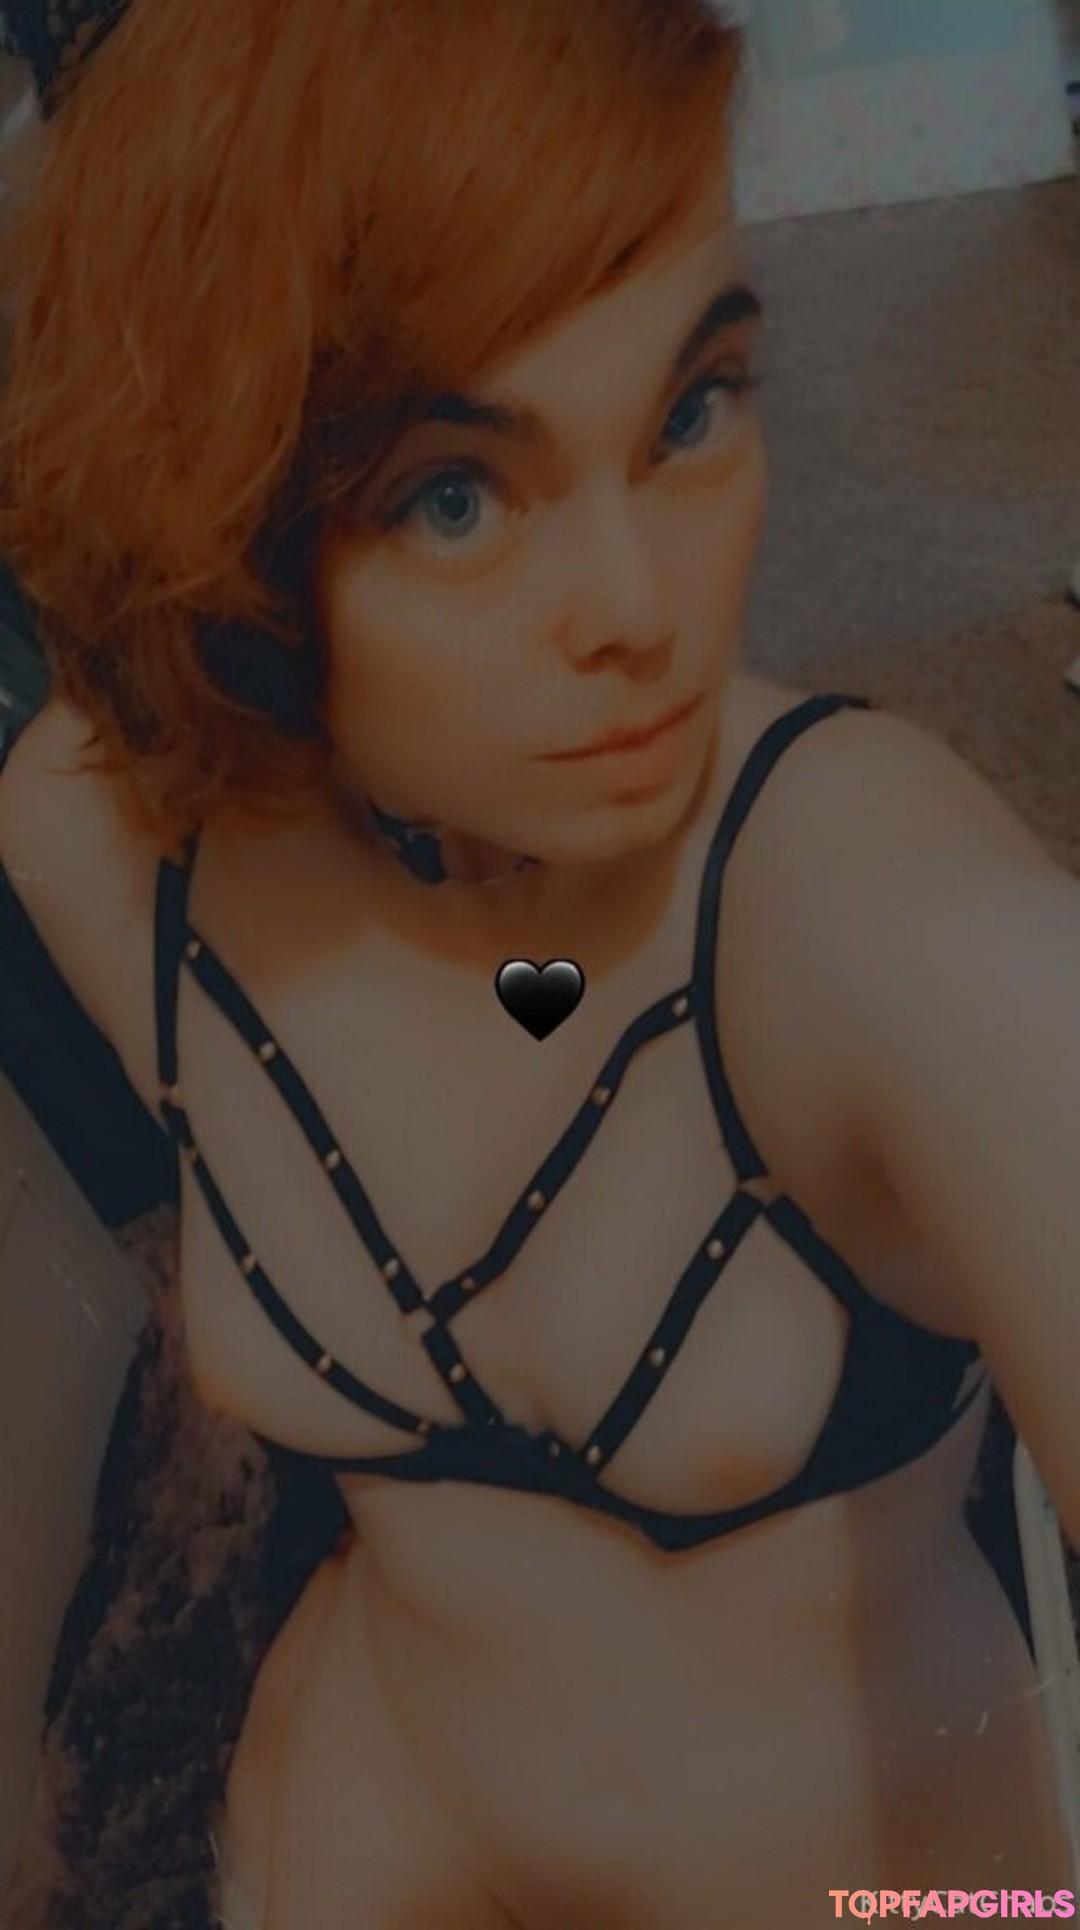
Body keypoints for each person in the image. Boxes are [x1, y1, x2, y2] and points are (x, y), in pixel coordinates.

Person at [0, 1, 1078, 1923]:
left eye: (693, 408)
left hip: (913, 1898)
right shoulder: (100, 842)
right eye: (456, 495)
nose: (644, 608)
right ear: (222, 502)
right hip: (358, 1842)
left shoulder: (877, 919)